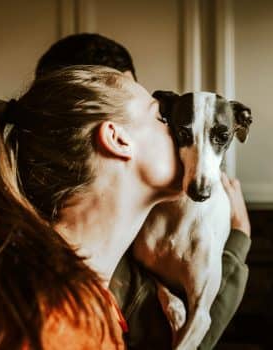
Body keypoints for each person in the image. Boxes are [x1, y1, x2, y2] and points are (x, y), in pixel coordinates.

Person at [0, 65, 183, 349]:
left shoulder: (86, 302)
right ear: (117, 138)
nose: (180, 130)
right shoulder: (55, 317)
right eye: (161, 117)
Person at [35, 33, 252, 350]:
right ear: (116, 136)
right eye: (158, 115)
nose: (173, 132)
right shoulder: (59, 308)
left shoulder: (100, 275)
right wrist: (238, 238)